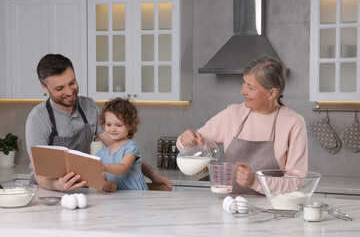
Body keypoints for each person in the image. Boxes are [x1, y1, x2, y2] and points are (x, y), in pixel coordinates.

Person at [26, 54, 172, 191]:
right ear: (44, 87)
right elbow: (41, 177)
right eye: (60, 88)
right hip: (47, 195)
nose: (70, 92)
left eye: (72, 83)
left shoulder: (88, 107)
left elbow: (121, 148)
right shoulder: (38, 118)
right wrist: (59, 185)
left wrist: (153, 176)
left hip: (81, 190)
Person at [176, 56, 308, 194]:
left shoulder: (294, 123)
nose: (242, 91)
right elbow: (192, 147)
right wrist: (185, 139)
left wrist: (255, 182)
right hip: (230, 208)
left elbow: (295, 184)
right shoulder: (232, 114)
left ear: (272, 93)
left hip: (272, 211)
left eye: (250, 87)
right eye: (244, 83)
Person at [96, 97, 148, 190]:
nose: (113, 129)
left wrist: (104, 167)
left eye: (118, 125)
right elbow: (101, 177)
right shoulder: (101, 154)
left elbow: (123, 167)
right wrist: (104, 185)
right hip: (117, 199)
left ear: (130, 126)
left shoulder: (131, 147)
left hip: (137, 197)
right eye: (108, 124)